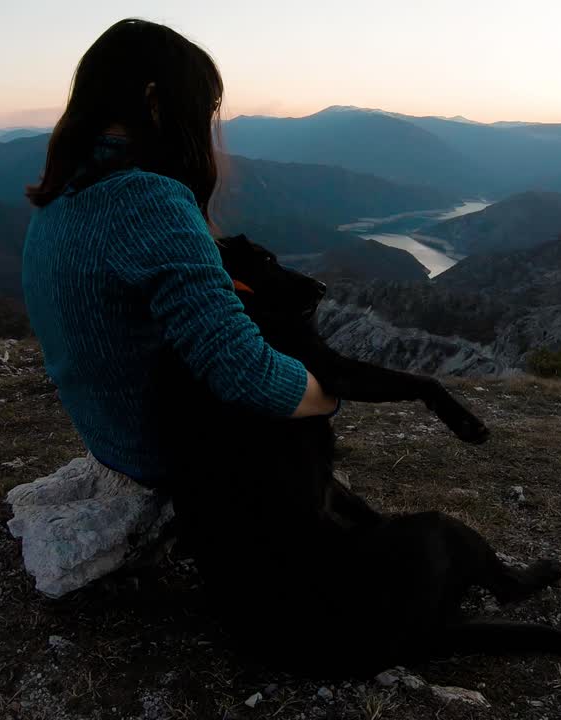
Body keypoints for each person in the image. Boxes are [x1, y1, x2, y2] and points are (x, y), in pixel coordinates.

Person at [21, 18, 338, 488]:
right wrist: (330, 393)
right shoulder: (145, 198)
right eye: (203, 109)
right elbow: (244, 374)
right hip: (167, 454)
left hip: (110, 441)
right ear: (154, 101)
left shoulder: (62, 193)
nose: (204, 126)